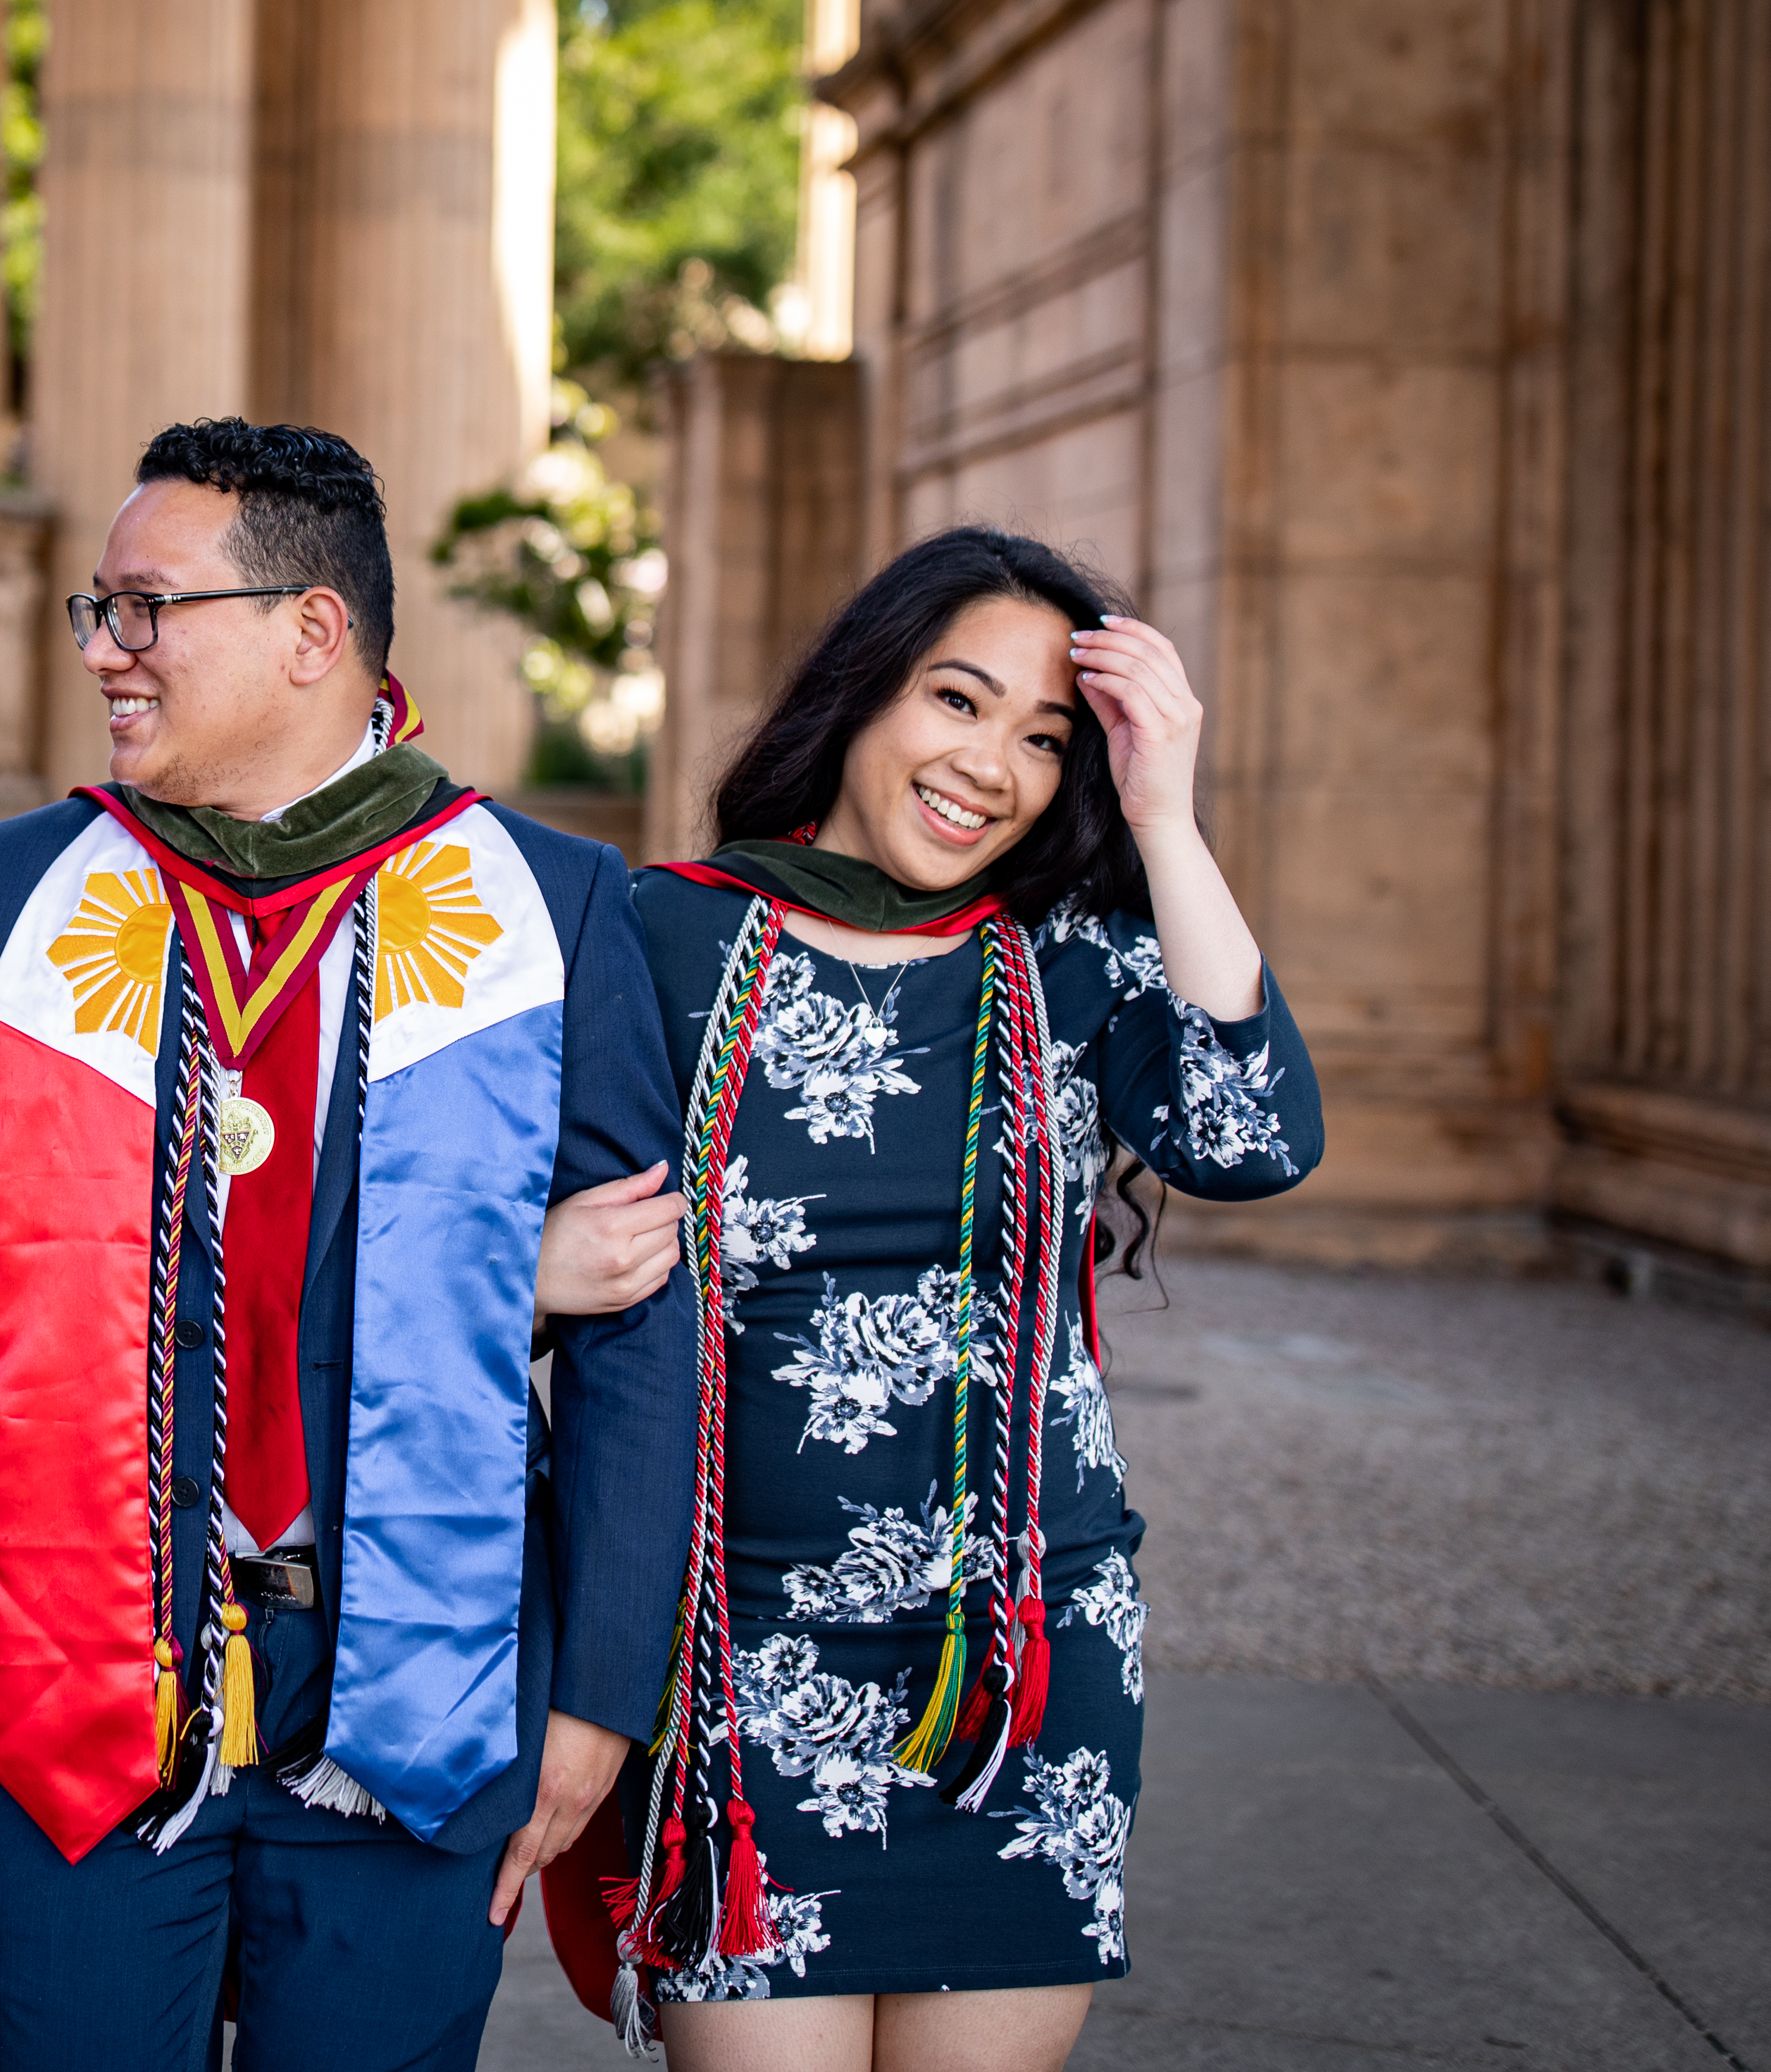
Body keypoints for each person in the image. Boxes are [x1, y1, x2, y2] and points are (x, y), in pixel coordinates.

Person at [0, 419, 698, 2071]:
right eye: (101, 608)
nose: (103, 650)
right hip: (84, 1676)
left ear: (313, 630)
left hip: (432, 1686)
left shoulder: (542, 906)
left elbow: (648, 1334)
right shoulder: (22, 893)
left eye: (148, 609)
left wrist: (599, 1705)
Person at [535, 527, 1323, 2069]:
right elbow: (459, 1242)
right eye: (958, 701)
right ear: (861, 696)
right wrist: (538, 1276)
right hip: (741, 1665)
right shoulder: (653, 934)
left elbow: (1254, 1136)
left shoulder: (1069, 958)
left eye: (1045, 737)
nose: (994, 766)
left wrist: (1161, 807)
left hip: (1027, 1660)